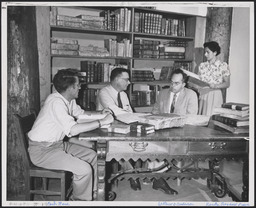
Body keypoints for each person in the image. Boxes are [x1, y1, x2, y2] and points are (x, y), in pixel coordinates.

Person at [28, 68, 114, 201]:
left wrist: (102, 114)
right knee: (84, 169)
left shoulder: (68, 99)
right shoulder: (56, 102)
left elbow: (81, 115)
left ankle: (95, 193)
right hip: (42, 151)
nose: (80, 87)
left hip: (57, 145)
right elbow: (73, 130)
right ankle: (79, 201)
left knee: (93, 156)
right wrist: (101, 122)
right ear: (70, 88)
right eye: (78, 85)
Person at [97, 67, 178, 195]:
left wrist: (144, 119)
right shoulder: (104, 92)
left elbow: (129, 114)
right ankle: (134, 175)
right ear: (117, 80)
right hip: (110, 132)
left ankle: (157, 178)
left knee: (151, 141)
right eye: (126, 80)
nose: (129, 83)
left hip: (126, 128)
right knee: (124, 147)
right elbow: (116, 113)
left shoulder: (123, 95)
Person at [198, 41, 231, 116]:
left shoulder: (223, 65)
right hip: (203, 94)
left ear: (215, 53)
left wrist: (215, 86)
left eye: (207, 52)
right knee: (202, 118)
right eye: (205, 52)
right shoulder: (202, 65)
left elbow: (227, 83)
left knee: (213, 119)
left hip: (215, 94)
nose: (205, 54)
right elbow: (198, 79)